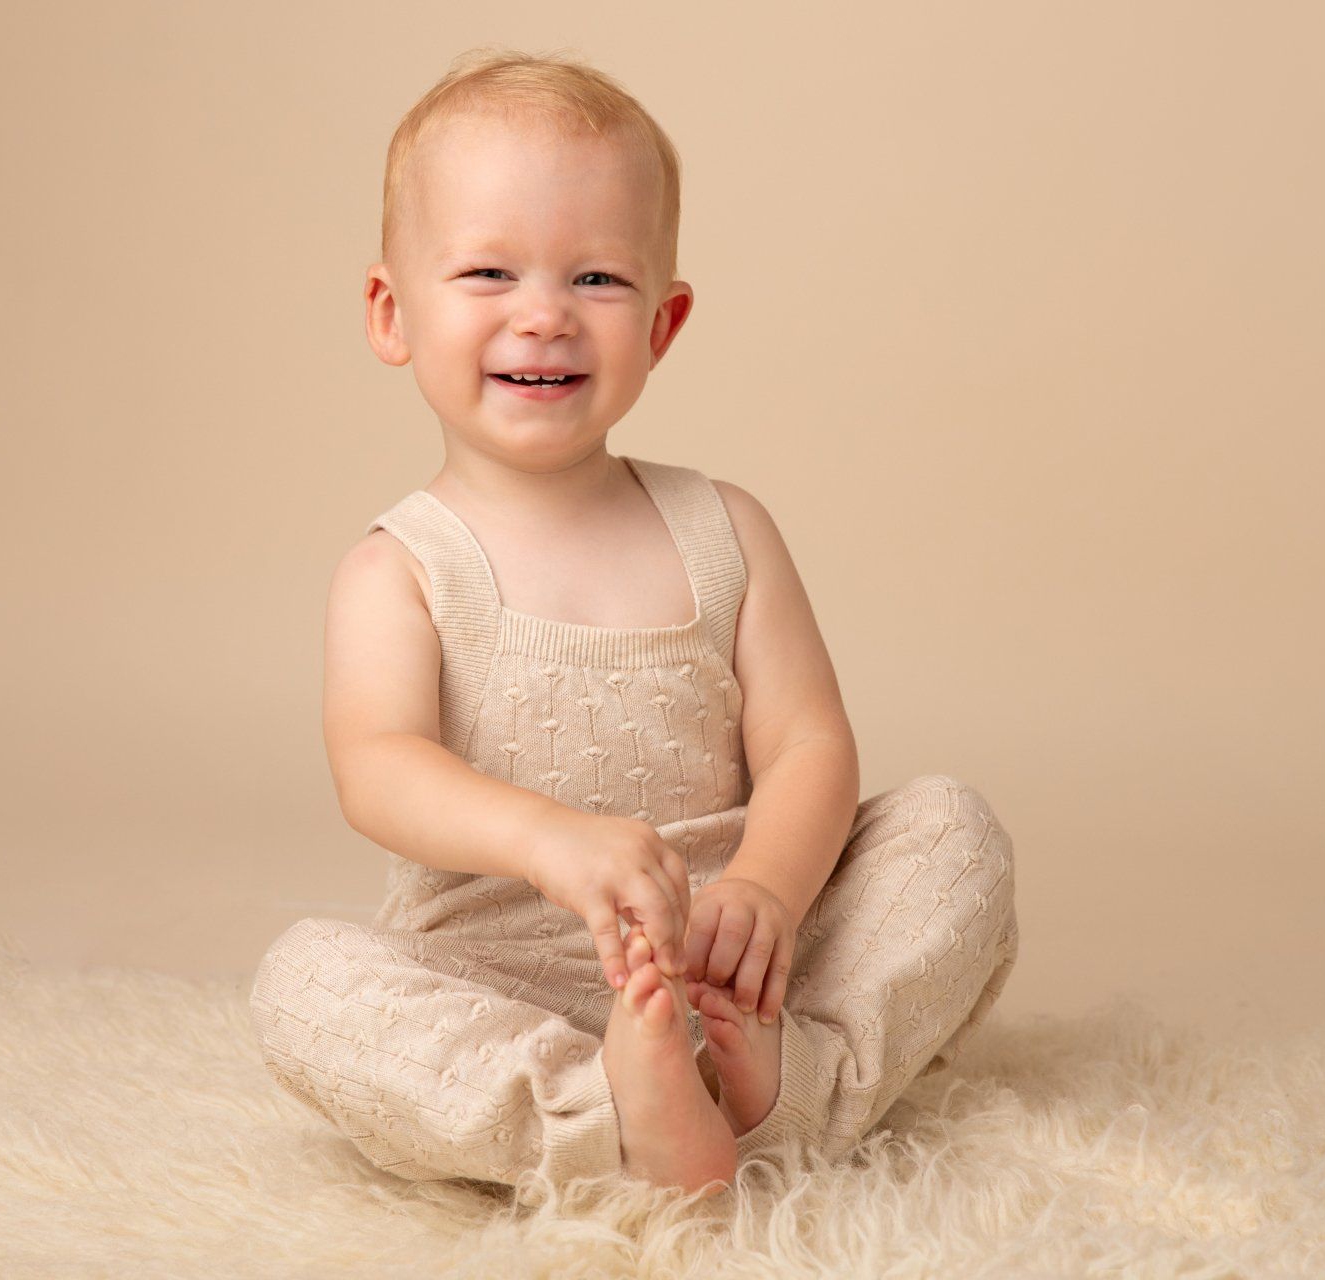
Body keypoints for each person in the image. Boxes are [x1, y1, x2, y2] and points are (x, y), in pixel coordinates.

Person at [249, 47, 1019, 1200]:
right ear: (390, 311)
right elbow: (379, 766)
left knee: (951, 830)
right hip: (497, 970)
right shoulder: (400, 569)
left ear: (663, 323)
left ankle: (786, 1078)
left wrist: (764, 889)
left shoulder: (726, 528)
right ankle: (603, 1110)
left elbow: (809, 744)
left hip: (741, 958)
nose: (545, 315)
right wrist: (555, 840)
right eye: (489, 272)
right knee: (301, 983)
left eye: (598, 280)